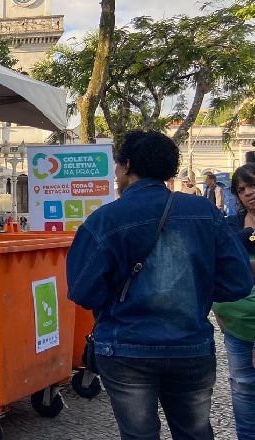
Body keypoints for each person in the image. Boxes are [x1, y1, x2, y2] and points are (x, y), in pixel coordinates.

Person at [67, 130, 252, 440]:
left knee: (139, 435)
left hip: (126, 348)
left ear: (126, 166)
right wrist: (197, 291)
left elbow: (83, 291)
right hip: (190, 345)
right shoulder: (206, 213)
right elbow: (237, 282)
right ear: (169, 169)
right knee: (195, 433)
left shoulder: (105, 220)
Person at [216, 163, 255, 440]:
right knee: (242, 387)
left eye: (252, 185)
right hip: (236, 327)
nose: (248, 193)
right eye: (241, 189)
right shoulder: (231, 225)